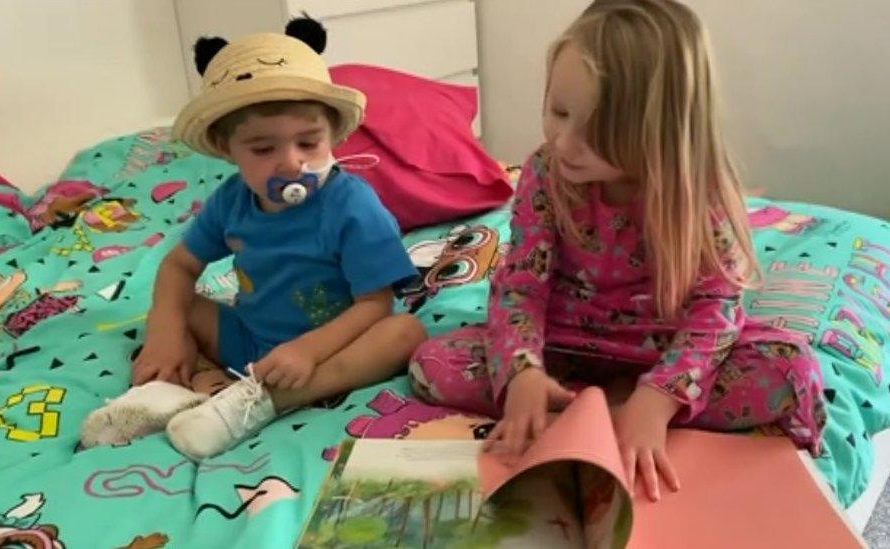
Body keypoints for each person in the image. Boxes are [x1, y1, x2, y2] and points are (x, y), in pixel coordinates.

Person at [409, 0, 826, 502]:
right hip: (562, 346)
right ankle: (591, 409)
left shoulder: (698, 192)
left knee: (790, 371)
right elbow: (520, 287)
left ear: (659, 130)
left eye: (597, 133)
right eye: (558, 112)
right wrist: (522, 373)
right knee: (433, 365)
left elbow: (716, 309)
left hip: (661, 348)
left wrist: (659, 397)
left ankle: (613, 412)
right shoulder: (544, 174)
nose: (563, 143)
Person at [90, 17, 425, 460]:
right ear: (226, 149)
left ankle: (264, 401)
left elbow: (375, 304)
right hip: (249, 337)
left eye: (308, 142)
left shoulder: (352, 206)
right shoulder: (231, 202)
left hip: (333, 346)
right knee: (177, 304)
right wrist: (164, 333)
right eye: (263, 149)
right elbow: (179, 266)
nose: (291, 163)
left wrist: (306, 351)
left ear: (333, 135)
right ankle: (174, 389)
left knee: (405, 331)